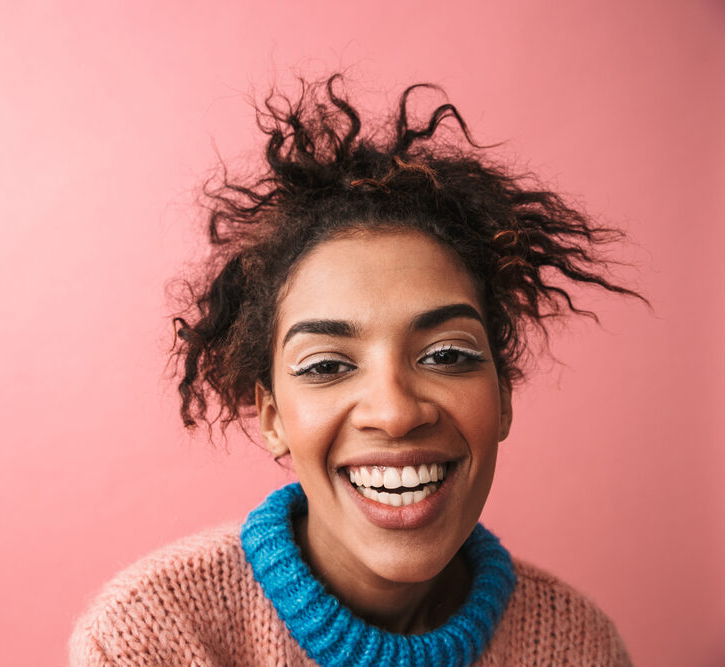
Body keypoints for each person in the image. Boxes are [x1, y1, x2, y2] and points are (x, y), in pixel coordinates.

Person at [69, 75, 640, 666]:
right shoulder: (155, 636)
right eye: (326, 365)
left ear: (502, 397)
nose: (394, 413)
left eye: (446, 355)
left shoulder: (578, 647)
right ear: (273, 419)